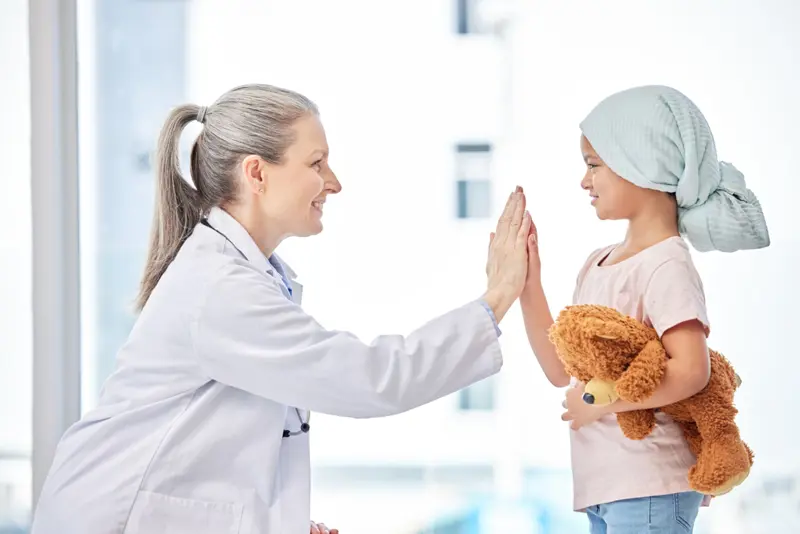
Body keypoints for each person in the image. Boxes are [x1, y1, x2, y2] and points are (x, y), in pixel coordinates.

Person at [30, 83, 532, 534]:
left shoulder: (250, 278)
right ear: (257, 173)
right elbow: (369, 378)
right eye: (316, 163)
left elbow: (223, 446)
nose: (333, 182)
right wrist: (496, 299)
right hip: (114, 516)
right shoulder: (220, 287)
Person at [520, 85, 769, 533]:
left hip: (650, 484)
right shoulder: (596, 263)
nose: (584, 180)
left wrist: (600, 403)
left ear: (643, 166)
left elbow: (693, 370)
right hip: (608, 488)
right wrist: (527, 286)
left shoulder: (667, 263)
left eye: (594, 165)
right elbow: (563, 370)